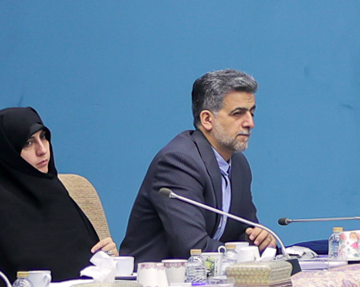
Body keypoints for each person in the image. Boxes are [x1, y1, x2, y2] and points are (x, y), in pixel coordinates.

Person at [118, 69, 276, 264]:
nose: (250, 123)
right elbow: (192, 248)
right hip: (154, 279)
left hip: (209, 276)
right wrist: (245, 254)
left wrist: (258, 240)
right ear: (207, 119)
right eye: (238, 114)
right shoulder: (179, 162)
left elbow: (242, 232)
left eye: (251, 113)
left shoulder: (239, 164)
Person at [0, 106, 117, 285]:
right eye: (28, 143)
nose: (42, 150)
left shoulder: (56, 193)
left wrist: (108, 259)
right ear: (6, 153)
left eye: (43, 137)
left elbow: (85, 262)